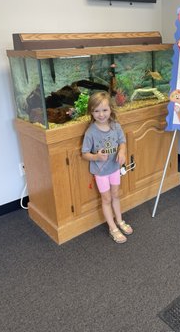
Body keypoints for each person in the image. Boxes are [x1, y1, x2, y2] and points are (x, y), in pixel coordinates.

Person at [81, 91, 133, 244]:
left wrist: (122, 151)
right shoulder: (90, 132)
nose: (101, 114)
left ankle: (120, 220)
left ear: (111, 109)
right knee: (106, 198)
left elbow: (122, 142)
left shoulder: (116, 126)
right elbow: (84, 153)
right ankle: (113, 228)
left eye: (104, 110)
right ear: (91, 112)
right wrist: (96, 157)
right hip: (101, 172)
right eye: (96, 111)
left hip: (115, 168)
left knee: (116, 194)